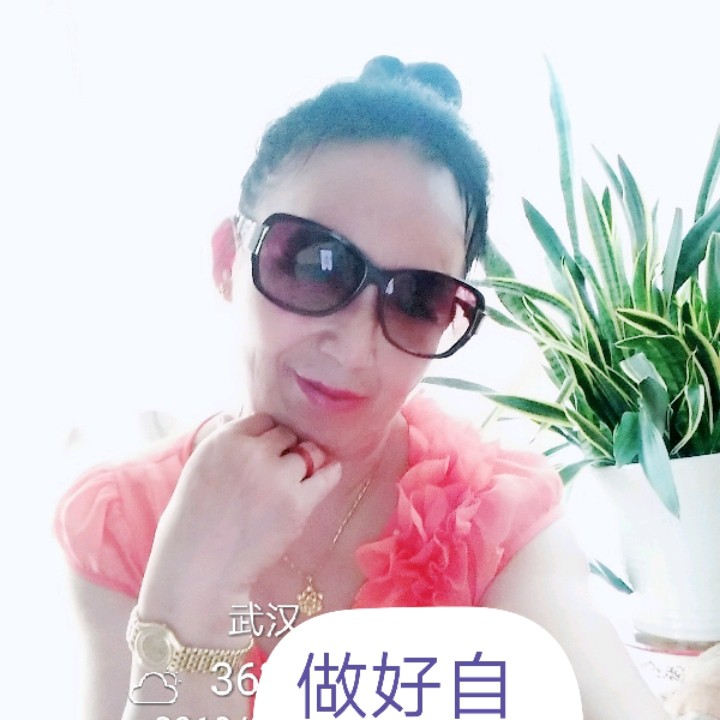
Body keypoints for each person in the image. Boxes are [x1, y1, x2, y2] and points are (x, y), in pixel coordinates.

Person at [55, 56, 674, 719]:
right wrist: (191, 593)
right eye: (313, 264)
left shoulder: (488, 518)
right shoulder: (121, 522)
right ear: (228, 261)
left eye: (417, 299)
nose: (354, 349)